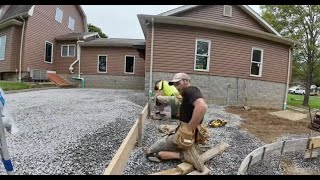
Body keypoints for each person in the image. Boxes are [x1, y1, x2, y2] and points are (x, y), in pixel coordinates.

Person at [145, 73, 208, 172]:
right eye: (174, 84)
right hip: (189, 134)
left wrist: (190, 127)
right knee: (174, 141)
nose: (176, 86)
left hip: (184, 133)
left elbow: (202, 106)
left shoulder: (190, 90)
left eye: (178, 83)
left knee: (149, 152)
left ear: (186, 81)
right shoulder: (186, 93)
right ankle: (186, 151)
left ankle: (181, 155)